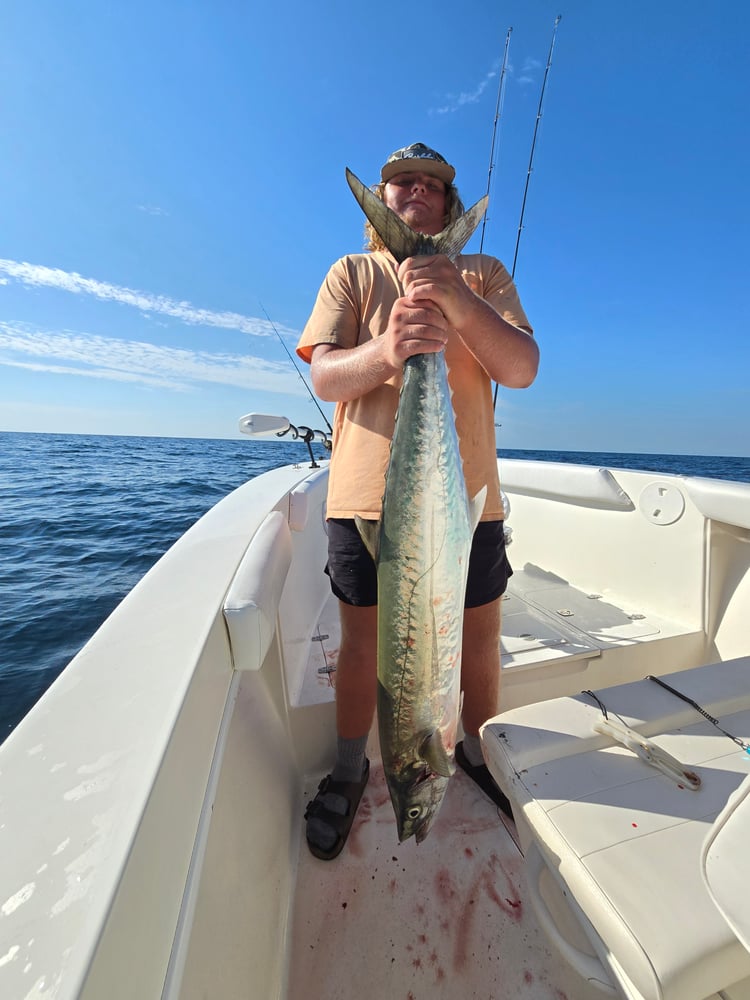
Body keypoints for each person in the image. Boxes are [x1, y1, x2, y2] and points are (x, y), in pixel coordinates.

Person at [296, 142, 538, 860]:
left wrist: (455, 299)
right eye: (402, 182)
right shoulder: (352, 272)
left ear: (447, 203)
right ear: (385, 196)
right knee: (365, 645)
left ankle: (476, 753)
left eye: (432, 185)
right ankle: (349, 769)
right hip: (366, 501)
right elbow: (328, 379)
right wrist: (389, 351)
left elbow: (521, 366)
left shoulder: (484, 273)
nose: (417, 193)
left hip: (465, 504)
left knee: (480, 639)